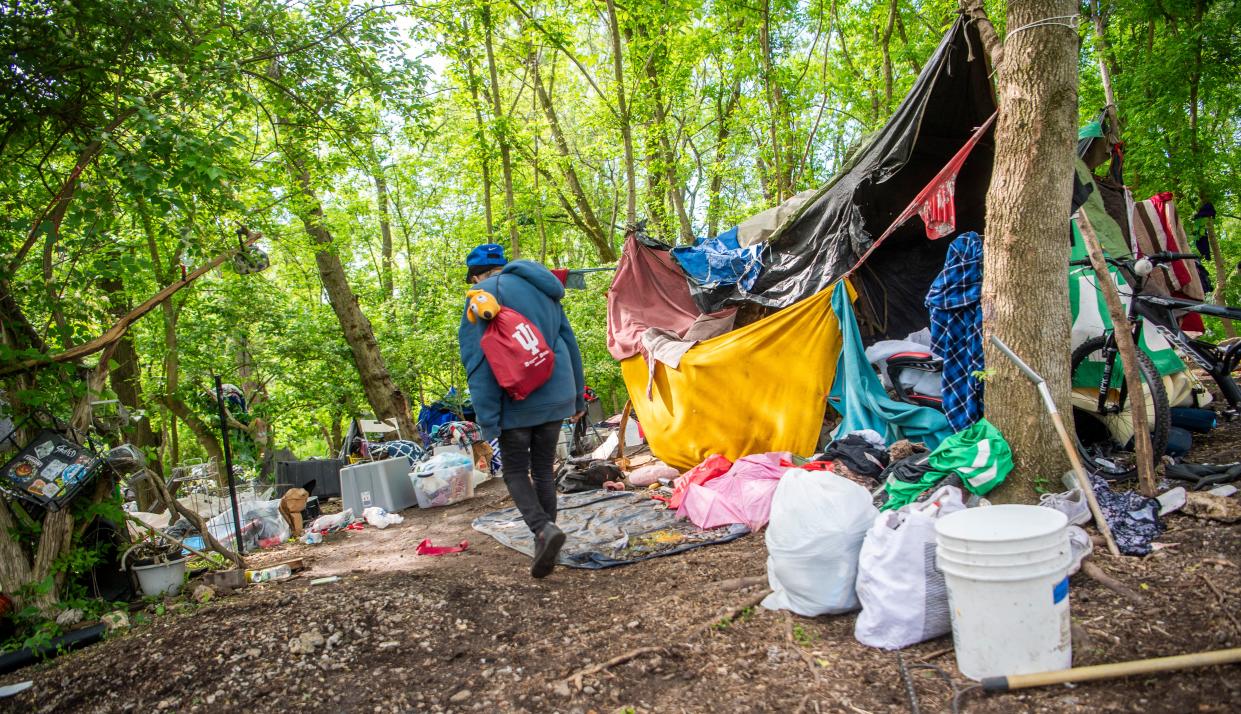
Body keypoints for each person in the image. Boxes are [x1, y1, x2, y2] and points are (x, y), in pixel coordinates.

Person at [457, 243, 586, 578]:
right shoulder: (544, 288)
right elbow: (568, 342)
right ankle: (547, 542)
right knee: (543, 469)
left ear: (474, 276)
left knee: (515, 471)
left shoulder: (480, 297)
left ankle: (543, 531)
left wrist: (486, 419)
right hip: (555, 391)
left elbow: (478, 361)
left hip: (514, 398)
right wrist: (576, 397)